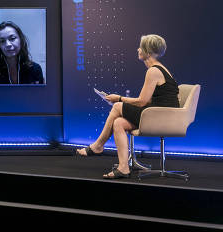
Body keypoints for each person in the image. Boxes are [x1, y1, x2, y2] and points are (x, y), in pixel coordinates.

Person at [76, 34, 180, 179]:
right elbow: (150, 101)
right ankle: (123, 167)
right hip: (158, 113)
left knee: (118, 106)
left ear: (148, 52)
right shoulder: (158, 69)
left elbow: (142, 102)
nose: (138, 49)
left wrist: (118, 98)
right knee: (118, 123)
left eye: (140, 47)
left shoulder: (153, 71)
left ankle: (98, 145)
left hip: (162, 117)